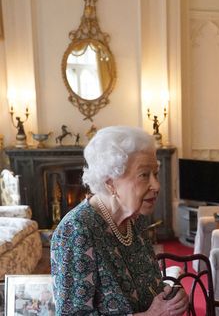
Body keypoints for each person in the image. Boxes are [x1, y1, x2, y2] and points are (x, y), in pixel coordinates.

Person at [50, 126, 188, 315]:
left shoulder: (135, 219)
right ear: (111, 183)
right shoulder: (77, 231)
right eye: (144, 175)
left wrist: (169, 294)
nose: (156, 185)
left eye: (155, 174)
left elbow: (146, 286)